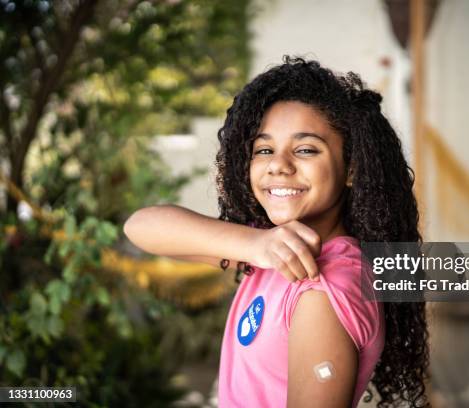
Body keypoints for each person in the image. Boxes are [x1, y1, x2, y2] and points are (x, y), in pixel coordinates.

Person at [123, 56, 428, 408]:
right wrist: (255, 244)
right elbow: (141, 226)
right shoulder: (269, 249)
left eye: (305, 149)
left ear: (351, 169)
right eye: (264, 149)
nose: (278, 165)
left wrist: (258, 246)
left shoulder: (323, 291)